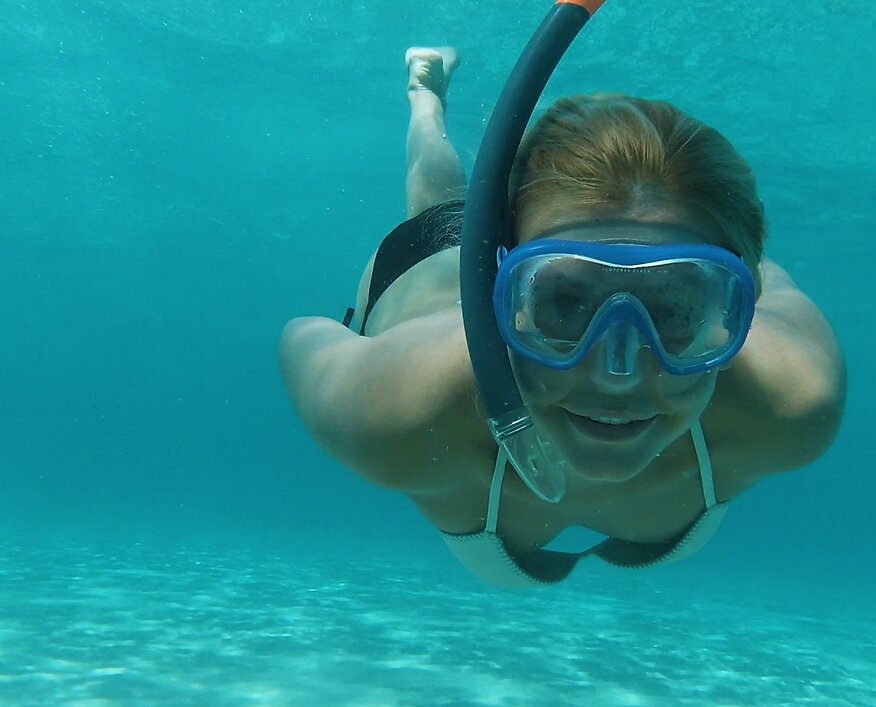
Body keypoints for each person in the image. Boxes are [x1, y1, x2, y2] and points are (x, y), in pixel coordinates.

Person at [279, 47, 846, 588]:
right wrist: (367, 344)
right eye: (564, 301)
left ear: (732, 304)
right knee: (438, 208)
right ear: (494, 288)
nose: (616, 373)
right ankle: (425, 102)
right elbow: (303, 334)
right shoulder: (395, 412)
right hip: (428, 272)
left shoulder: (796, 399)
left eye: (675, 305)